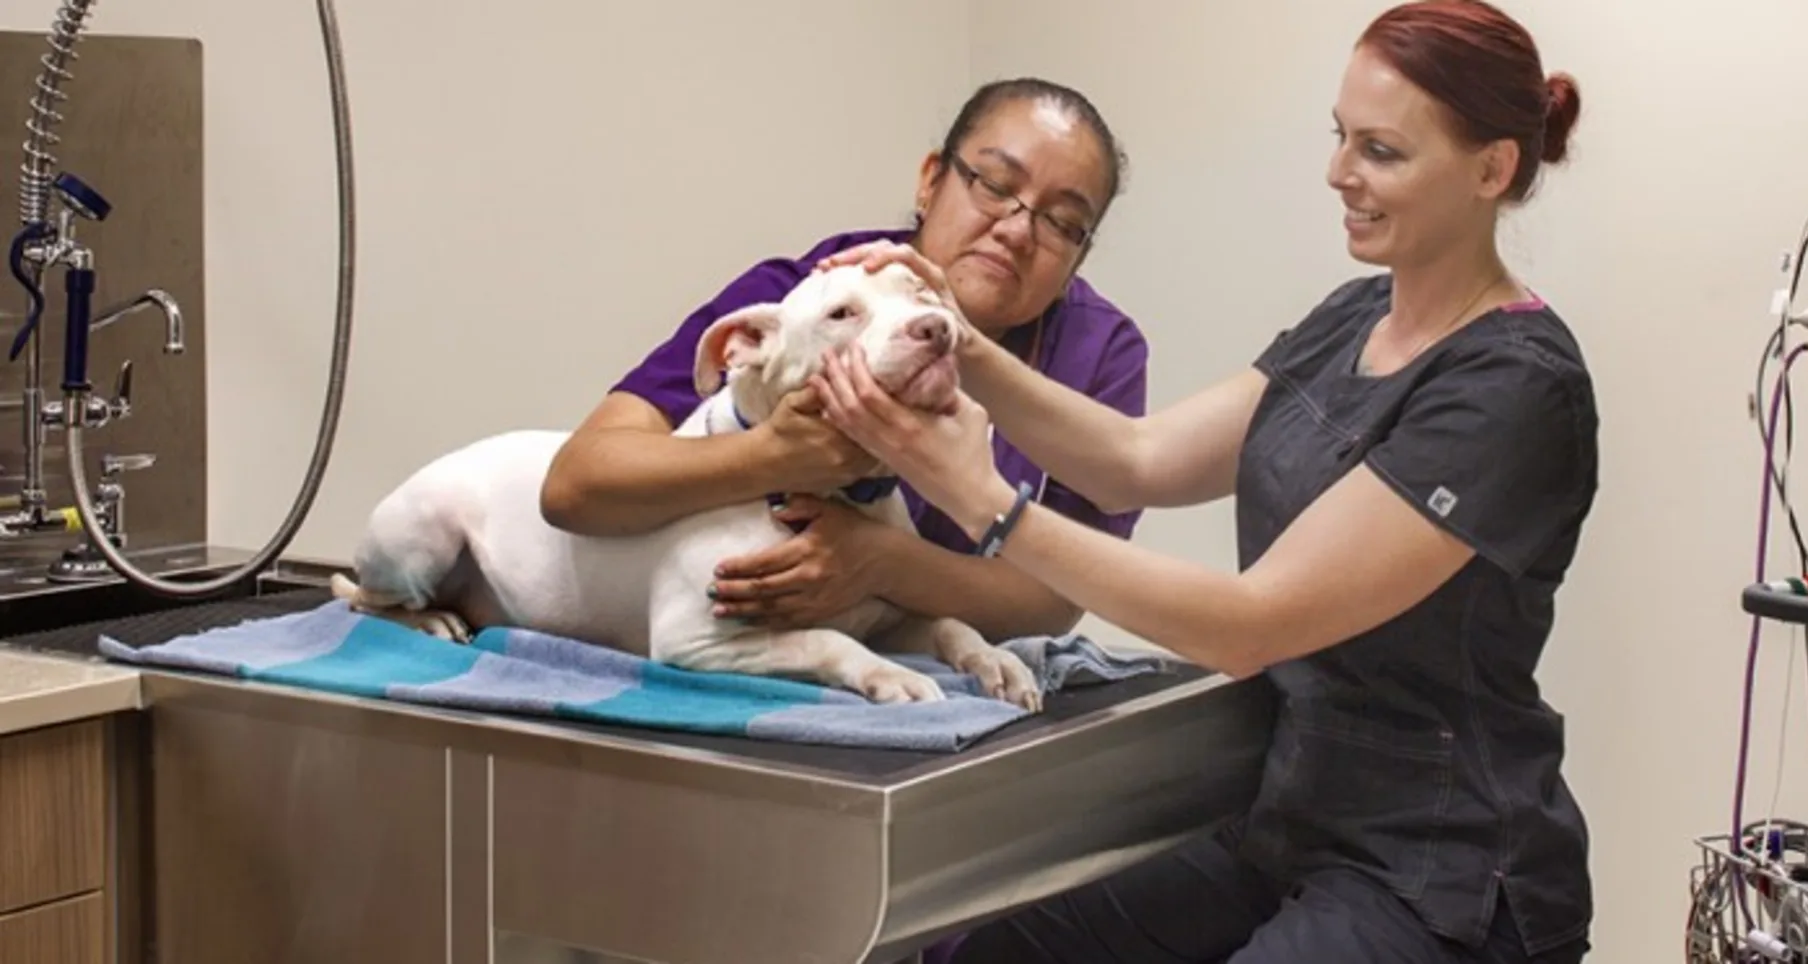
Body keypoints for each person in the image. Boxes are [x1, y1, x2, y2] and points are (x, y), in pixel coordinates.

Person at [812, 2, 1597, 962]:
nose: (1338, 173)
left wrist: (983, 501)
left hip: (1441, 867)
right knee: (982, 951)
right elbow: (1138, 458)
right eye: (1340, 137)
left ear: (1493, 168)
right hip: (1291, 822)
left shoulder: (1515, 387)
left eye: (1381, 151)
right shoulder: (1354, 317)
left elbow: (1252, 622)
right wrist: (955, 339)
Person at [539, 78, 1150, 643]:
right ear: (931, 180)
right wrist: (771, 456)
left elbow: (1056, 600)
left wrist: (881, 562)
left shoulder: (1098, 354)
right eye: (993, 186)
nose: (1017, 231)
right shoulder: (803, 300)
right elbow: (577, 485)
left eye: (1063, 223)